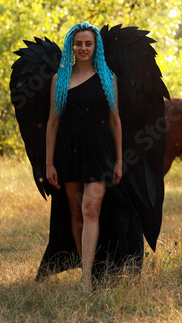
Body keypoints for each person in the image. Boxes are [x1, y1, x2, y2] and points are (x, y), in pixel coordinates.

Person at [45, 22, 123, 291]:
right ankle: (84, 268)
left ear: (95, 46)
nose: (83, 48)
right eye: (78, 43)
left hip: (100, 151)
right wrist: (49, 162)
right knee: (76, 213)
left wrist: (120, 160)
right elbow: (53, 123)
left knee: (91, 208)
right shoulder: (60, 79)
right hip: (69, 151)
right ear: (71, 46)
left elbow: (115, 120)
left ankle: (87, 279)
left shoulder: (108, 78)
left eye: (88, 43)